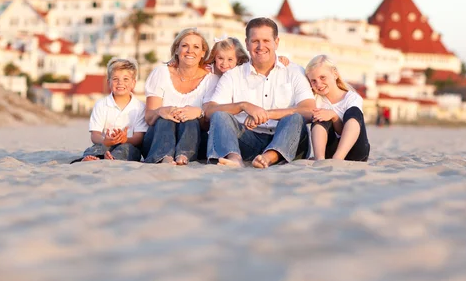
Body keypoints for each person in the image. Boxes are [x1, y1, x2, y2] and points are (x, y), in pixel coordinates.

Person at [205, 17, 316, 168]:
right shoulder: (233, 75)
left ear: (276, 42)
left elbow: (309, 111)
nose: (260, 46)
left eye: (266, 41)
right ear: (247, 43)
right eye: (255, 41)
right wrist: (243, 105)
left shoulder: (294, 71)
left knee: (295, 117)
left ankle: (270, 157)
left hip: (289, 141)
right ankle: (234, 159)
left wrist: (267, 114)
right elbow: (210, 110)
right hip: (248, 141)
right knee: (219, 115)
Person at [143, 28, 219, 165]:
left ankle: (183, 156)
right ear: (177, 50)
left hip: (193, 141)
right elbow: (148, 117)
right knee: (165, 119)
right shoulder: (161, 73)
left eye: (196, 47)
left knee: (191, 118)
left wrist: (198, 113)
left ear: (203, 53)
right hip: (157, 140)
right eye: (184, 46)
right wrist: (161, 111)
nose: (190, 51)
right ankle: (164, 156)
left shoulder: (211, 80)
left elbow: (207, 125)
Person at [71, 58, 148, 163]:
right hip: (106, 144)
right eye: (115, 79)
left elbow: (139, 137)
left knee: (127, 149)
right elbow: (95, 134)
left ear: (133, 83)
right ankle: (93, 158)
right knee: (96, 148)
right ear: (109, 82)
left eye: (126, 79)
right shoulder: (101, 104)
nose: (120, 83)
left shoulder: (140, 107)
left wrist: (125, 139)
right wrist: (105, 141)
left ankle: (110, 158)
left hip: (129, 145)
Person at [305, 54, 370, 161]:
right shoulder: (315, 100)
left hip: (356, 151)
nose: (319, 84)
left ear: (335, 74)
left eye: (322, 77)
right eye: (313, 81)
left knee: (354, 112)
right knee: (319, 116)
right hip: (329, 153)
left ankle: (338, 158)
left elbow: (342, 131)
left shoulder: (351, 98)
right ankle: (319, 158)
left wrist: (334, 116)